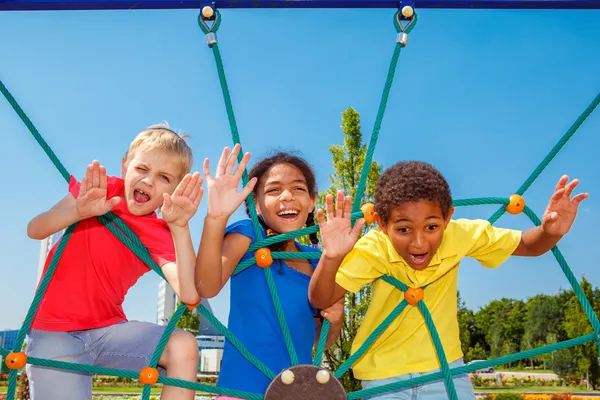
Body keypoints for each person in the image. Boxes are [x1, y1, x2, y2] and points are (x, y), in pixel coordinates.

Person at [308, 160, 588, 399]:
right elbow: (321, 299)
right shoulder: (375, 247)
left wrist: (551, 231)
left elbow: (530, 244)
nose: (419, 242)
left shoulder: (460, 235)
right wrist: (331, 256)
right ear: (382, 224)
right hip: (383, 376)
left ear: (448, 217)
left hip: (446, 370)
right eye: (403, 229)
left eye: (431, 227)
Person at [26, 123, 204, 400]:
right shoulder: (100, 190)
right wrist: (78, 211)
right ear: (125, 166)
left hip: (107, 332)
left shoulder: (159, 232)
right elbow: (35, 229)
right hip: (53, 331)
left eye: (163, 177)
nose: (148, 181)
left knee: (183, 345)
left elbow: (190, 294)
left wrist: (180, 227)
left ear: (176, 189)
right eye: (142, 169)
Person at [195, 145, 344, 398]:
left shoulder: (322, 261)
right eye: (273, 190)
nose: (286, 196)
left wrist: (337, 318)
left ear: (311, 202)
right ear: (256, 205)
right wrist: (216, 217)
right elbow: (206, 286)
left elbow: (320, 342)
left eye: (298, 188)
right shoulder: (249, 236)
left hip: (297, 392)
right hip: (241, 390)